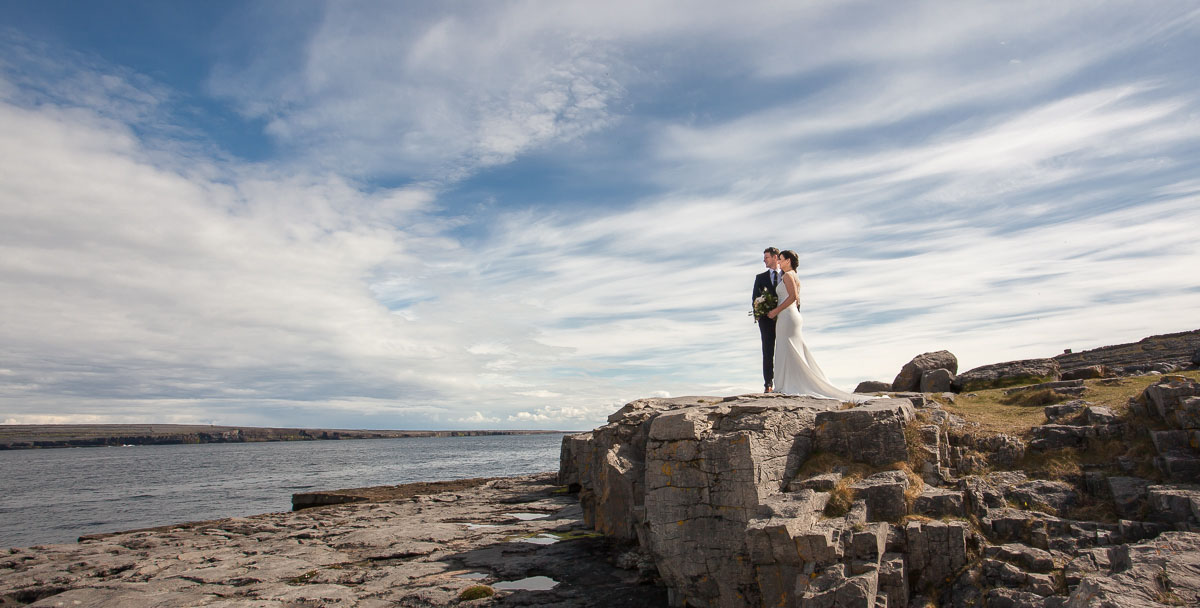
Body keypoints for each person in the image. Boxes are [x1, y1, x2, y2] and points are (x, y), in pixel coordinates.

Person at [766, 250, 874, 403]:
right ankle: (788, 383)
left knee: (787, 347)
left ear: (788, 261)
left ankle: (789, 384)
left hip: (787, 315)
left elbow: (793, 297)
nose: (779, 262)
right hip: (790, 315)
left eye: (781, 259)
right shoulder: (793, 276)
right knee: (789, 348)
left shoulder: (788, 275)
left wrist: (776, 310)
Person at [752, 247, 781, 392]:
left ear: (776, 257)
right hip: (766, 319)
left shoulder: (787, 275)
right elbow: (755, 299)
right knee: (768, 351)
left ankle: (784, 382)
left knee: (785, 350)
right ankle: (768, 384)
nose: (764, 260)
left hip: (785, 318)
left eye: (767, 257)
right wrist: (762, 314)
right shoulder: (760, 277)